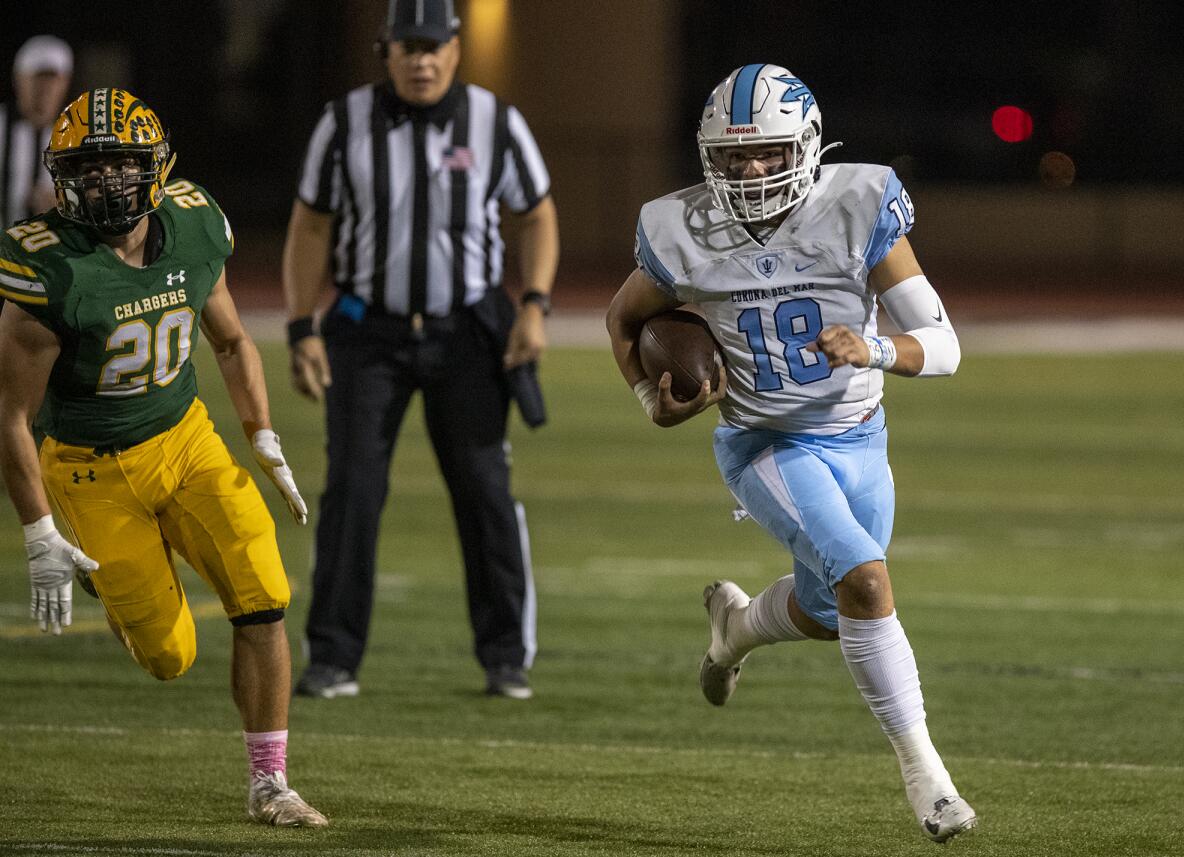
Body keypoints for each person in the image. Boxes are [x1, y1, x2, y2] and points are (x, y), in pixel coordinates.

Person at [606, 64, 977, 843]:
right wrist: (651, 400)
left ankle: (735, 627)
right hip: (766, 442)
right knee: (867, 581)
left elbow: (944, 345)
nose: (749, 170)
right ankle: (927, 777)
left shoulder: (859, 205)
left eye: (768, 153)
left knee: (831, 610)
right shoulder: (681, 229)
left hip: (859, 435)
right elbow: (622, 320)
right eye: (734, 157)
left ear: (806, 147)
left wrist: (874, 348)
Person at [0, 88, 327, 828]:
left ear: (156, 167)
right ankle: (120, 575)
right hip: (91, 465)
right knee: (168, 655)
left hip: (186, 440)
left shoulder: (192, 223)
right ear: (62, 174)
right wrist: (39, 534)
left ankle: (270, 782)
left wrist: (262, 434)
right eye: (91, 166)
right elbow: (10, 416)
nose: (109, 181)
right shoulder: (49, 266)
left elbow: (234, 341)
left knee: (263, 587)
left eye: (123, 165)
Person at [284, 0, 559, 701]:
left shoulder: (496, 121)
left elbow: (535, 214)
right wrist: (300, 325)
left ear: (457, 49)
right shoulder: (342, 122)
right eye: (408, 46)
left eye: (434, 46)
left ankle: (505, 655)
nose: (422, 59)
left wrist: (534, 304)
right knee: (352, 489)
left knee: (484, 489)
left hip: (466, 330)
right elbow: (310, 228)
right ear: (386, 51)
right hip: (367, 329)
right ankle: (334, 656)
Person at [2, 35, 72, 228]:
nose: (46, 89)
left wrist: (64, 205)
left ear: (65, 83)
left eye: (53, 80)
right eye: (37, 79)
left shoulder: (75, 135)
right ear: (18, 79)